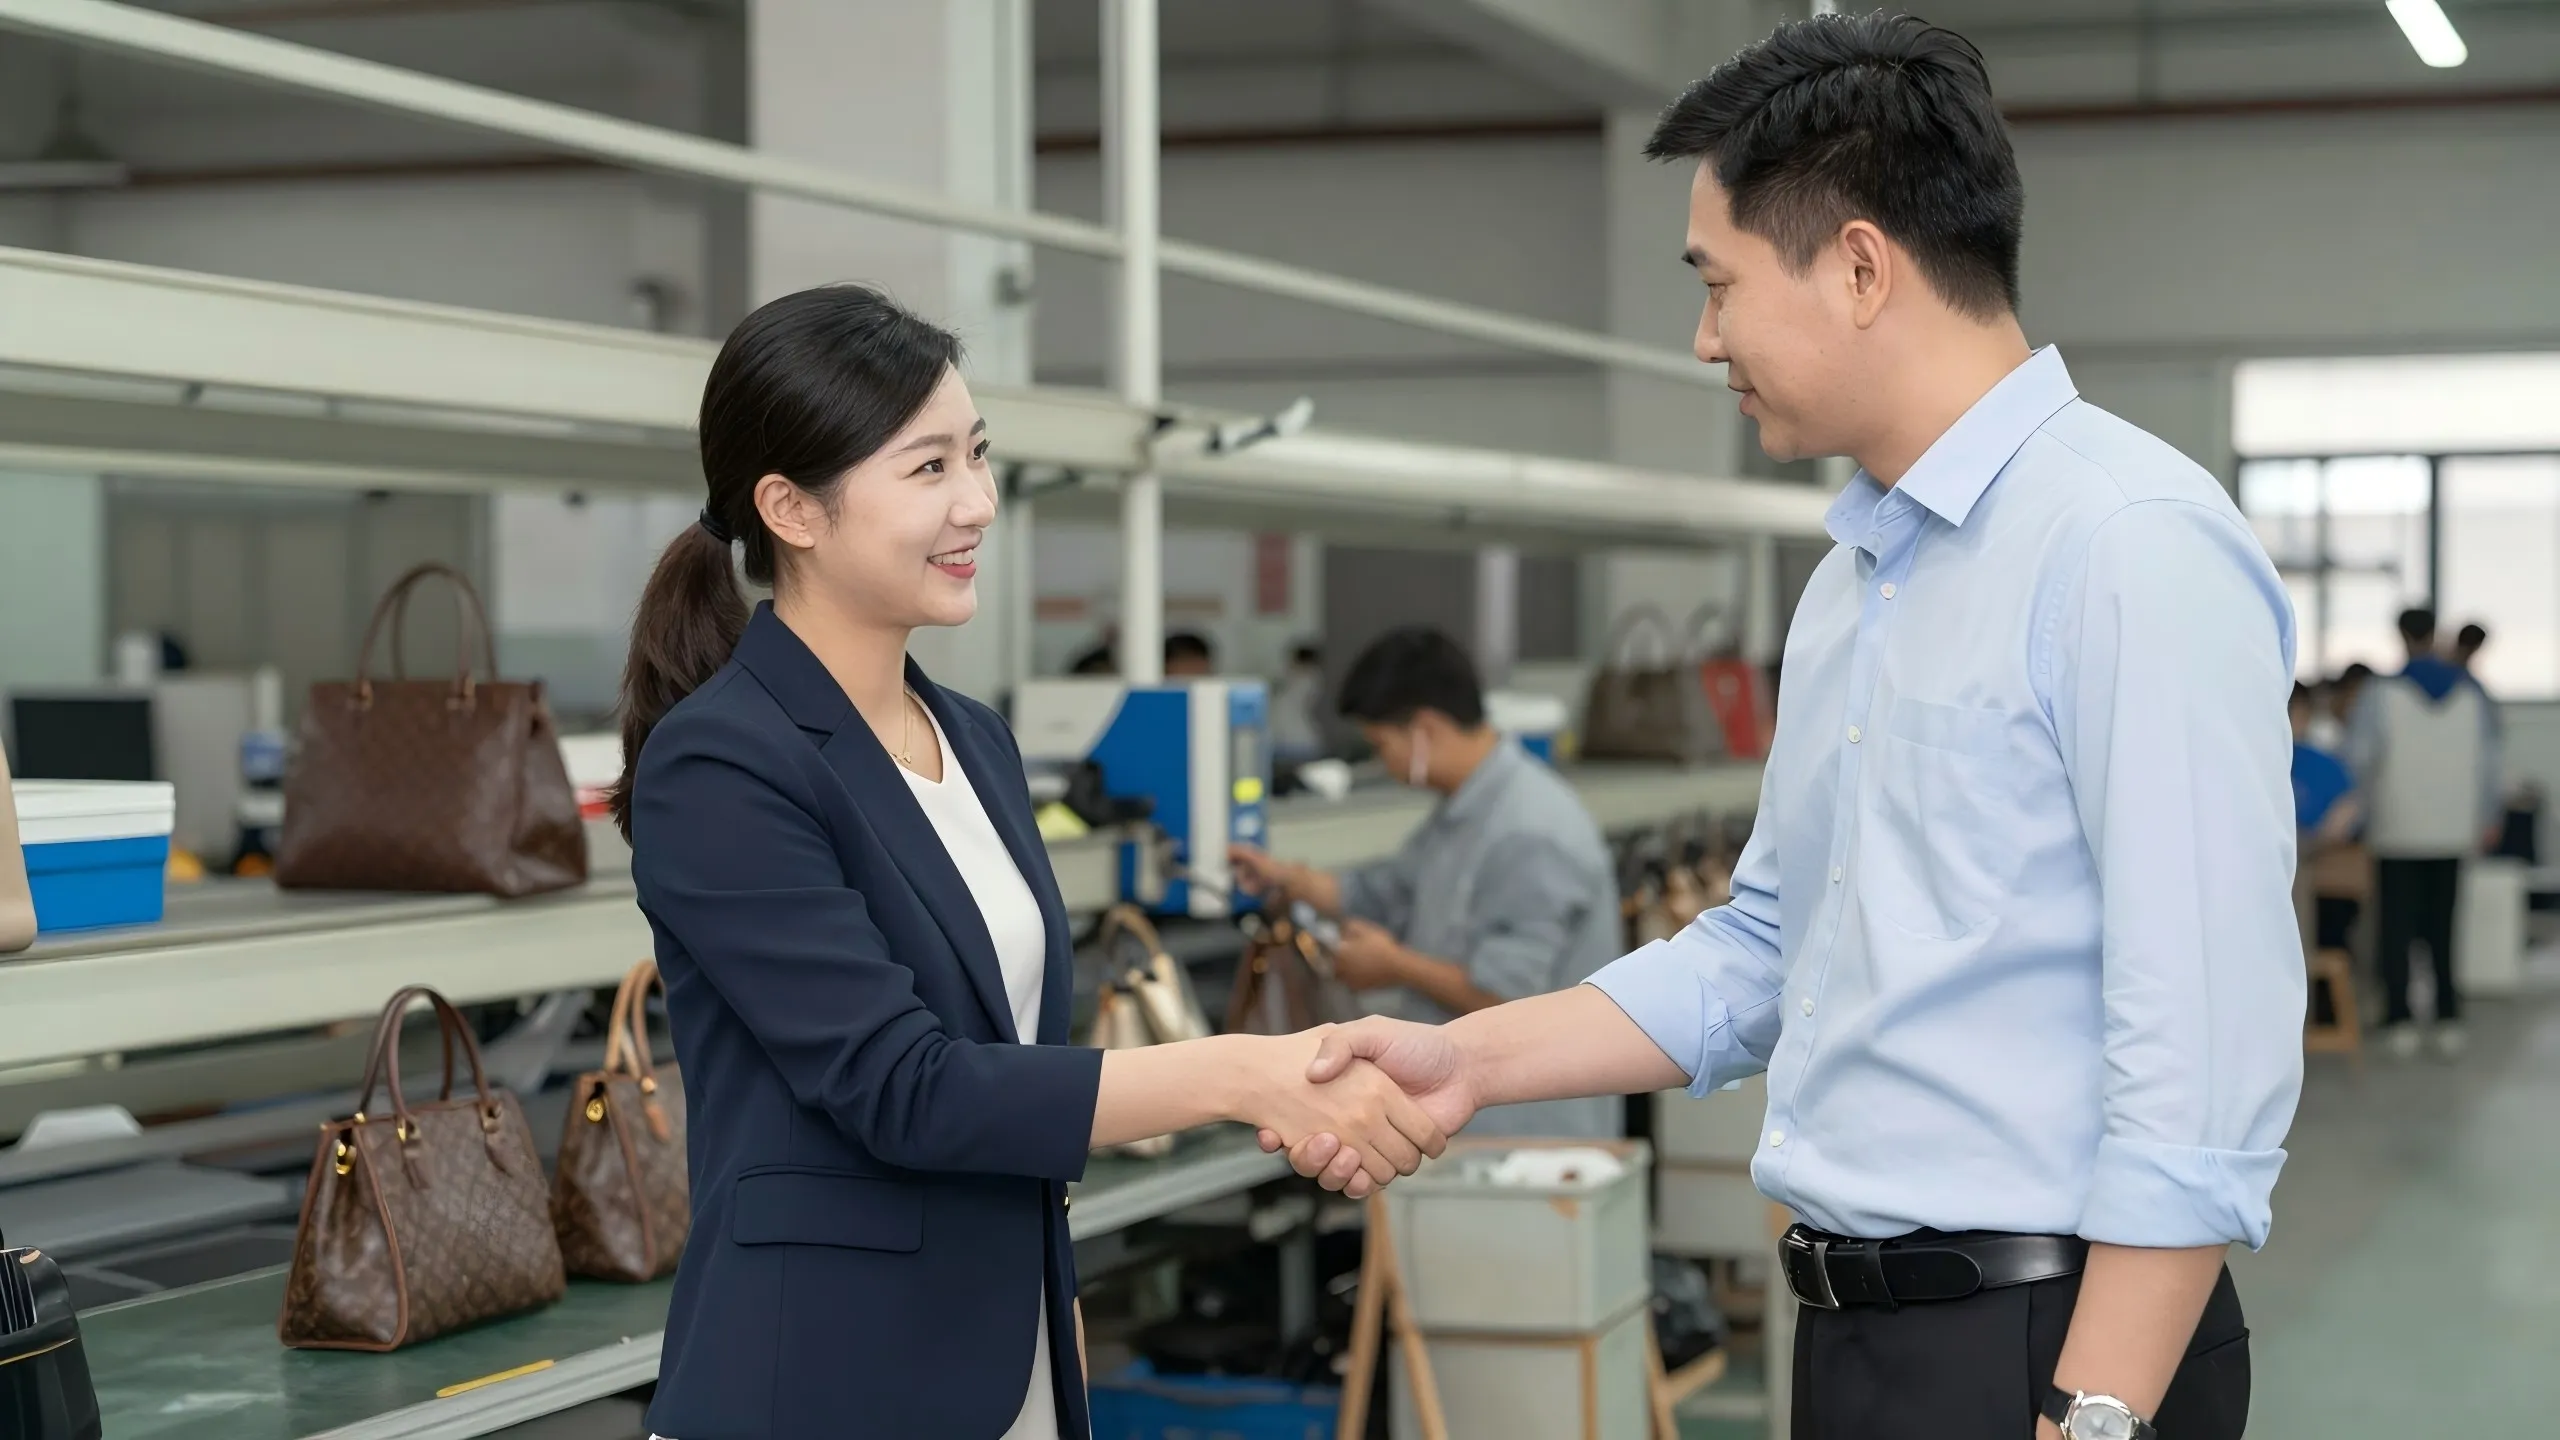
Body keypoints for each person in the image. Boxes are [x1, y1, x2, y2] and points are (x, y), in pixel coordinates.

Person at [1269, 18, 2299, 1440]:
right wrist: (1474, 1062)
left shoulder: (2126, 545)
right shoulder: (1853, 586)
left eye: (1718, 285)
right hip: (1854, 1339)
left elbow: (2206, 1039)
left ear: (1862, 267)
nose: (1705, 340)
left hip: (2049, 1348)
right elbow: (1765, 948)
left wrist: (2103, 1407)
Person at [612, 286, 1444, 1440]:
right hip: (825, 1377)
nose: (980, 504)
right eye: (928, 469)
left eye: (980, 456)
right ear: (791, 509)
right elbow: (905, 1089)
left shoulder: (977, 740)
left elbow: (1008, 1056)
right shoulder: (721, 765)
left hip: (1013, 1354)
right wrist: (1245, 1072)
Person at [1228, 626, 1623, 1138]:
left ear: (1425, 729)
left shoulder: (1528, 831)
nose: (1385, 765)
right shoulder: (1463, 815)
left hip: (1532, 1137)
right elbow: (1382, 892)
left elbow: (1508, 996)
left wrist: (1394, 966)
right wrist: (1291, 880)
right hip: (1473, 1120)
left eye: (1382, 745)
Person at [2346, 607, 2499, 1061]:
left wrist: (2360, 814)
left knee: (2396, 927)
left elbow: (2361, 758)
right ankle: (2448, 1015)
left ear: (2399, 636)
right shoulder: (2474, 694)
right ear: (2436, 634)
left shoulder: (2380, 693)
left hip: (2397, 827)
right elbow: (2489, 764)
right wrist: (2485, 816)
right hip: (2452, 827)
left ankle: (2400, 1018)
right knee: (2443, 924)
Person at [2292, 682, 2363, 1023]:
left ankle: (2320, 1012)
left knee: (2332, 917)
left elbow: (2347, 815)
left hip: (2322, 873)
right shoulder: (2249, 765)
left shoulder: (2325, 765)